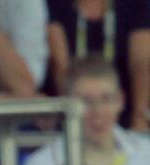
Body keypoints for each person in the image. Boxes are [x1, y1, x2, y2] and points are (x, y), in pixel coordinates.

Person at [45, 0, 150, 131]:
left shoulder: (135, 4)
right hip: (72, 108)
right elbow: (59, 64)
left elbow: (141, 63)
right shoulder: (54, 3)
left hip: (122, 109)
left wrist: (139, 118)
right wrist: (73, 115)